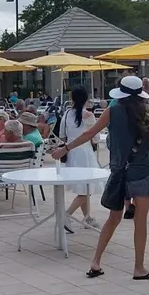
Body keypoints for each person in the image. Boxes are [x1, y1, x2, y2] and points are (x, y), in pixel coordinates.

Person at [53, 76, 149, 280]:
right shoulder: (148, 115)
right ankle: (139, 267)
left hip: (119, 171)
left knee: (113, 218)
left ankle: (96, 261)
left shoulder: (112, 111)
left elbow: (88, 134)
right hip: (141, 171)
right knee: (140, 221)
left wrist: (65, 148)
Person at [58, 87, 101, 232]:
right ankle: (67, 215)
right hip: (85, 153)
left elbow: (62, 135)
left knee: (84, 187)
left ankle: (87, 217)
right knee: (87, 189)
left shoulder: (66, 114)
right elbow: (95, 137)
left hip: (71, 152)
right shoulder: (89, 115)